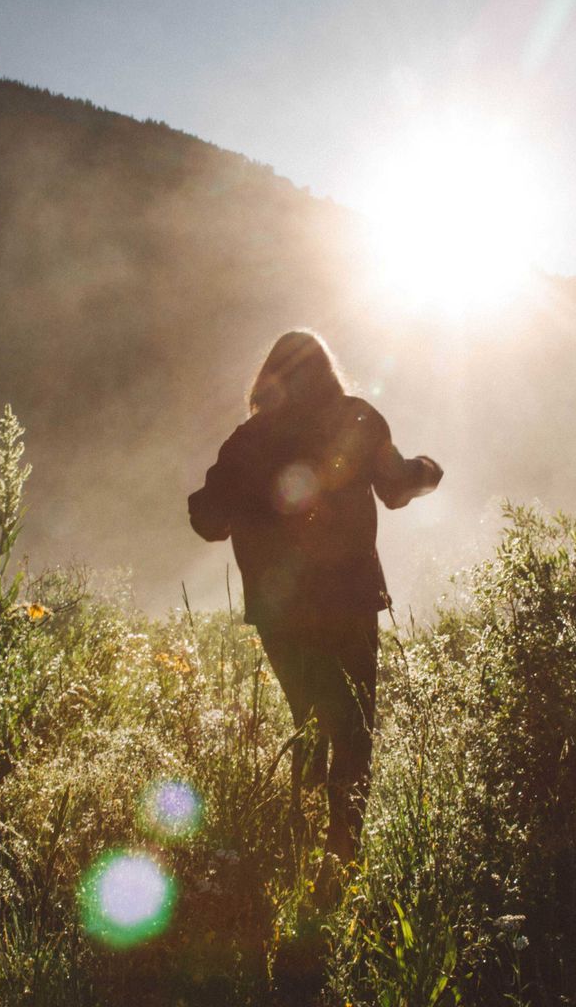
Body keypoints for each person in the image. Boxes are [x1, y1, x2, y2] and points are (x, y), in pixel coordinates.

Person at [188, 330, 442, 881]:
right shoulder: (356, 418)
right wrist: (427, 471)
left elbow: (208, 519)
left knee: (307, 720)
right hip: (349, 600)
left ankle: (299, 856)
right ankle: (341, 865)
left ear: (268, 378)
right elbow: (397, 488)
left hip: (281, 611)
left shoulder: (247, 440)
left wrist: (243, 502)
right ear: (327, 371)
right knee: (353, 731)